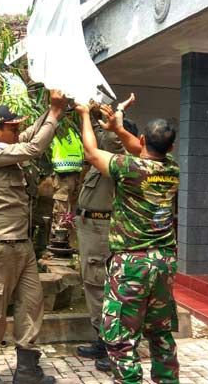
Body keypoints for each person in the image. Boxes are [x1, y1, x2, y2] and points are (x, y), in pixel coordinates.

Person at [76, 102, 181, 384]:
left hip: (133, 264)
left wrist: (86, 115)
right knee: (160, 333)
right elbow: (141, 149)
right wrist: (120, 129)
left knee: (121, 336)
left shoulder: (128, 167)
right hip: (164, 263)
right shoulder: (172, 168)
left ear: (144, 139)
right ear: (170, 149)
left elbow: (91, 152)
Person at [0, 91, 67, 384]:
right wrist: (52, 113)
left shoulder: (8, 145)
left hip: (22, 246)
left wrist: (55, 111)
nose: (17, 131)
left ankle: (26, 369)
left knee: (31, 305)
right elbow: (35, 146)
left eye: (16, 127)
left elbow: (30, 134)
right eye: (11, 127)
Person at [74, 95, 135, 372]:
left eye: (110, 129)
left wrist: (100, 116)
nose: (103, 132)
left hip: (101, 228)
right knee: (93, 282)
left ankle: (112, 344)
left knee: (100, 284)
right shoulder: (107, 160)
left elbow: (98, 143)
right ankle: (102, 338)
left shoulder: (117, 161)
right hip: (91, 227)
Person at [49, 126, 84, 234]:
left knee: (68, 210)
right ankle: (57, 239)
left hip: (75, 171)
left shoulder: (74, 128)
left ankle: (64, 238)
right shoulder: (59, 126)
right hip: (63, 172)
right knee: (62, 210)